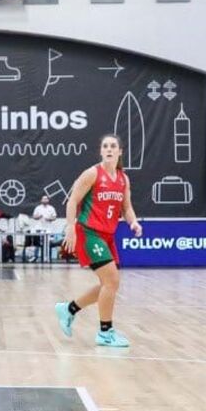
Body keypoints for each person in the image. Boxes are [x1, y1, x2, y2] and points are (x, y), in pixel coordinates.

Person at [55, 133, 142, 348]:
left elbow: (126, 207)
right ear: (101, 151)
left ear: (120, 151)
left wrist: (133, 222)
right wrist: (70, 228)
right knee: (112, 281)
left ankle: (69, 309)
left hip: (107, 235)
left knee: (108, 284)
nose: (109, 149)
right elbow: (72, 200)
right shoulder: (92, 174)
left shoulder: (123, 178)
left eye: (113, 146)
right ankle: (105, 332)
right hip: (89, 232)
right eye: (105, 146)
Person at [28, 194, 57, 262]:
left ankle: (47, 258)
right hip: (39, 228)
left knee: (48, 243)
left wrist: (49, 218)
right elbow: (34, 217)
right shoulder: (38, 208)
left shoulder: (51, 208)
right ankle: (35, 257)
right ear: (41, 200)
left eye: (46, 199)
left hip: (48, 229)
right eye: (43, 199)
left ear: (48, 200)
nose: (44, 200)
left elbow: (54, 217)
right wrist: (38, 216)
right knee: (38, 243)